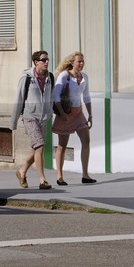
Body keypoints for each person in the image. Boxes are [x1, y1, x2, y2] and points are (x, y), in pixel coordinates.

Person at [8, 49, 53, 190]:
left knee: (36, 149)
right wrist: (13, 122)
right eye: (43, 60)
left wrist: (50, 112)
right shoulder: (26, 78)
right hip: (29, 116)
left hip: (43, 117)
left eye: (47, 60)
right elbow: (19, 99)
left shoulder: (50, 77)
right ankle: (42, 180)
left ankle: (22, 171)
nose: (46, 62)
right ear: (36, 62)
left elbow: (51, 97)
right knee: (39, 146)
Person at [50, 51, 95, 185]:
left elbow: (86, 97)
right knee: (62, 145)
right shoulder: (65, 76)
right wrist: (63, 115)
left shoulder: (84, 77)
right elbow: (56, 96)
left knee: (86, 141)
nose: (81, 64)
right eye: (78, 61)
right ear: (72, 62)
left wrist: (90, 115)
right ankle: (60, 176)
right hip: (66, 113)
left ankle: (85, 175)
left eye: (82, 61)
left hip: (79, 113)